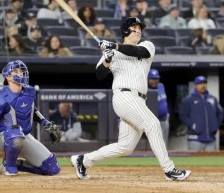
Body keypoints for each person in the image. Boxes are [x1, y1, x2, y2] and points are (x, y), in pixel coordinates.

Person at [70, 17, 191, 181]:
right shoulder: (112, 53)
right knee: (153, 125)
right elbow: (99, 74)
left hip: (139, 100)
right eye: (135, 28)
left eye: (140, 28)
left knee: (125, 147)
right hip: (124, 96)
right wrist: (107, 58)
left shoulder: (147, 46)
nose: (139, 31)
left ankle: (83, 160)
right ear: (126, 31)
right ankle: (169, 170)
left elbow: (138, 52)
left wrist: (115, 46)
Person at [0, 60, 61, 176]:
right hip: (4, 137)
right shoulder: (1, 98)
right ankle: (10, 166)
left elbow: (33, 111)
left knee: (53, 168)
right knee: (15, 133)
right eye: (16, 71)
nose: (21, 74)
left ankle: (16, 164)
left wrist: (45, 123)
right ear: (8, 77)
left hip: (25, 136)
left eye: (22, 72)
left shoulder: (29, 93)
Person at [179, 76, 223, 151]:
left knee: (211, 161)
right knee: (194, 161)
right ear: (195, 86)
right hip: (195, 138)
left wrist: (215, 125)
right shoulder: (188, 100)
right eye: (200, 84)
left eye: (204, 83)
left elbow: (220, 113)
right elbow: (183, 115)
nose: (203, 86)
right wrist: (193, 125)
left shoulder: (213, 99)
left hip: (210, 138)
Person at [148, 69, 170, 148]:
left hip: (164, 120)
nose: (155, 81)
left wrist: (167, 113)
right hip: (152, 122)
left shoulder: (161, 86)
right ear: (147, 79)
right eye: (152, 79)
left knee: (164, 145)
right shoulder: (143, 89)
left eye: (156, 78)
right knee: (153, 146)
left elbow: (164, 101)